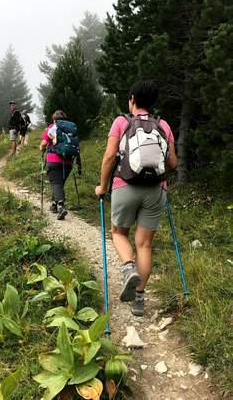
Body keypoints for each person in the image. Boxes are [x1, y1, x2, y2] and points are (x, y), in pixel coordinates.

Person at [95, 80, 177, 317]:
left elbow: (110, 156)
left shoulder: (122, 121)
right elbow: (172, 163)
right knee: (145, 245)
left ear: (132, 99)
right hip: (156, 190)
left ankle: (128, 268)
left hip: (125, 185)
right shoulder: (164, 124)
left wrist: (102, 186)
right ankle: (139, 300)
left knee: (119, 233)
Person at [39, 110, 81, 220]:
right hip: (68, 161)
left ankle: (60, 206)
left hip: (53, 160)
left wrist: (41, 149)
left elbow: (43, 144)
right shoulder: (70, 129)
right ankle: (54, 204)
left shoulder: (52, 127)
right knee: (58, 183)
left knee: (56, 183)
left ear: (54, 119)